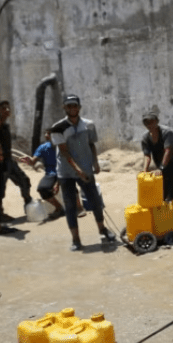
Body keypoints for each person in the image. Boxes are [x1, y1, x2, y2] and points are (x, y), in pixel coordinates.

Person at [50, 94, 116, 251]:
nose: (72, 108)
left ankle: (102, 229)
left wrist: (95, 163)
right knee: (70, 206)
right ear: (64, 108)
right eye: (69, 106)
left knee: (95, 201)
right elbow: (64, 152)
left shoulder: (89, 125)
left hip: (86, 169)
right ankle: (76, 239)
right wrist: (78, 171)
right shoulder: (57, 128)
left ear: (79, 107)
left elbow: (91, 144)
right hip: (66, 172)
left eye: (75, 105)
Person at [0, 100, 33, 214]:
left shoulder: (6, 126)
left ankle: (29, 206)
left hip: (9, 161)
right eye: (3, 108)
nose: (7, 110)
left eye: (8, 108)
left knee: (24, 181)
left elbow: (6, 147)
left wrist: (16, 158)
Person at [140, 112, 173, 201]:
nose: (149, 124)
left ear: (157, 121)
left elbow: (168, 151)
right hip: (163, 168)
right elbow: (147, 155)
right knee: (161, 196)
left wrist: (161, 168)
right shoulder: (145, 137)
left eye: (151, 121)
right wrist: (144, 170)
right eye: (146, 122)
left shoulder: (167, 132)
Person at [21, 128, 65, 221]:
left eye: (48, 133)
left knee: (72, 186)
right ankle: (59, 208)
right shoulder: (43, 147)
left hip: (65, 172)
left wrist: (58, 184)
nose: (45, 135)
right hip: (51, 173)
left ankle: (79, 208)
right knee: (42, 189)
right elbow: (33, 161)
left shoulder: (62, 146)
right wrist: (29, 160)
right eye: (45, 133)